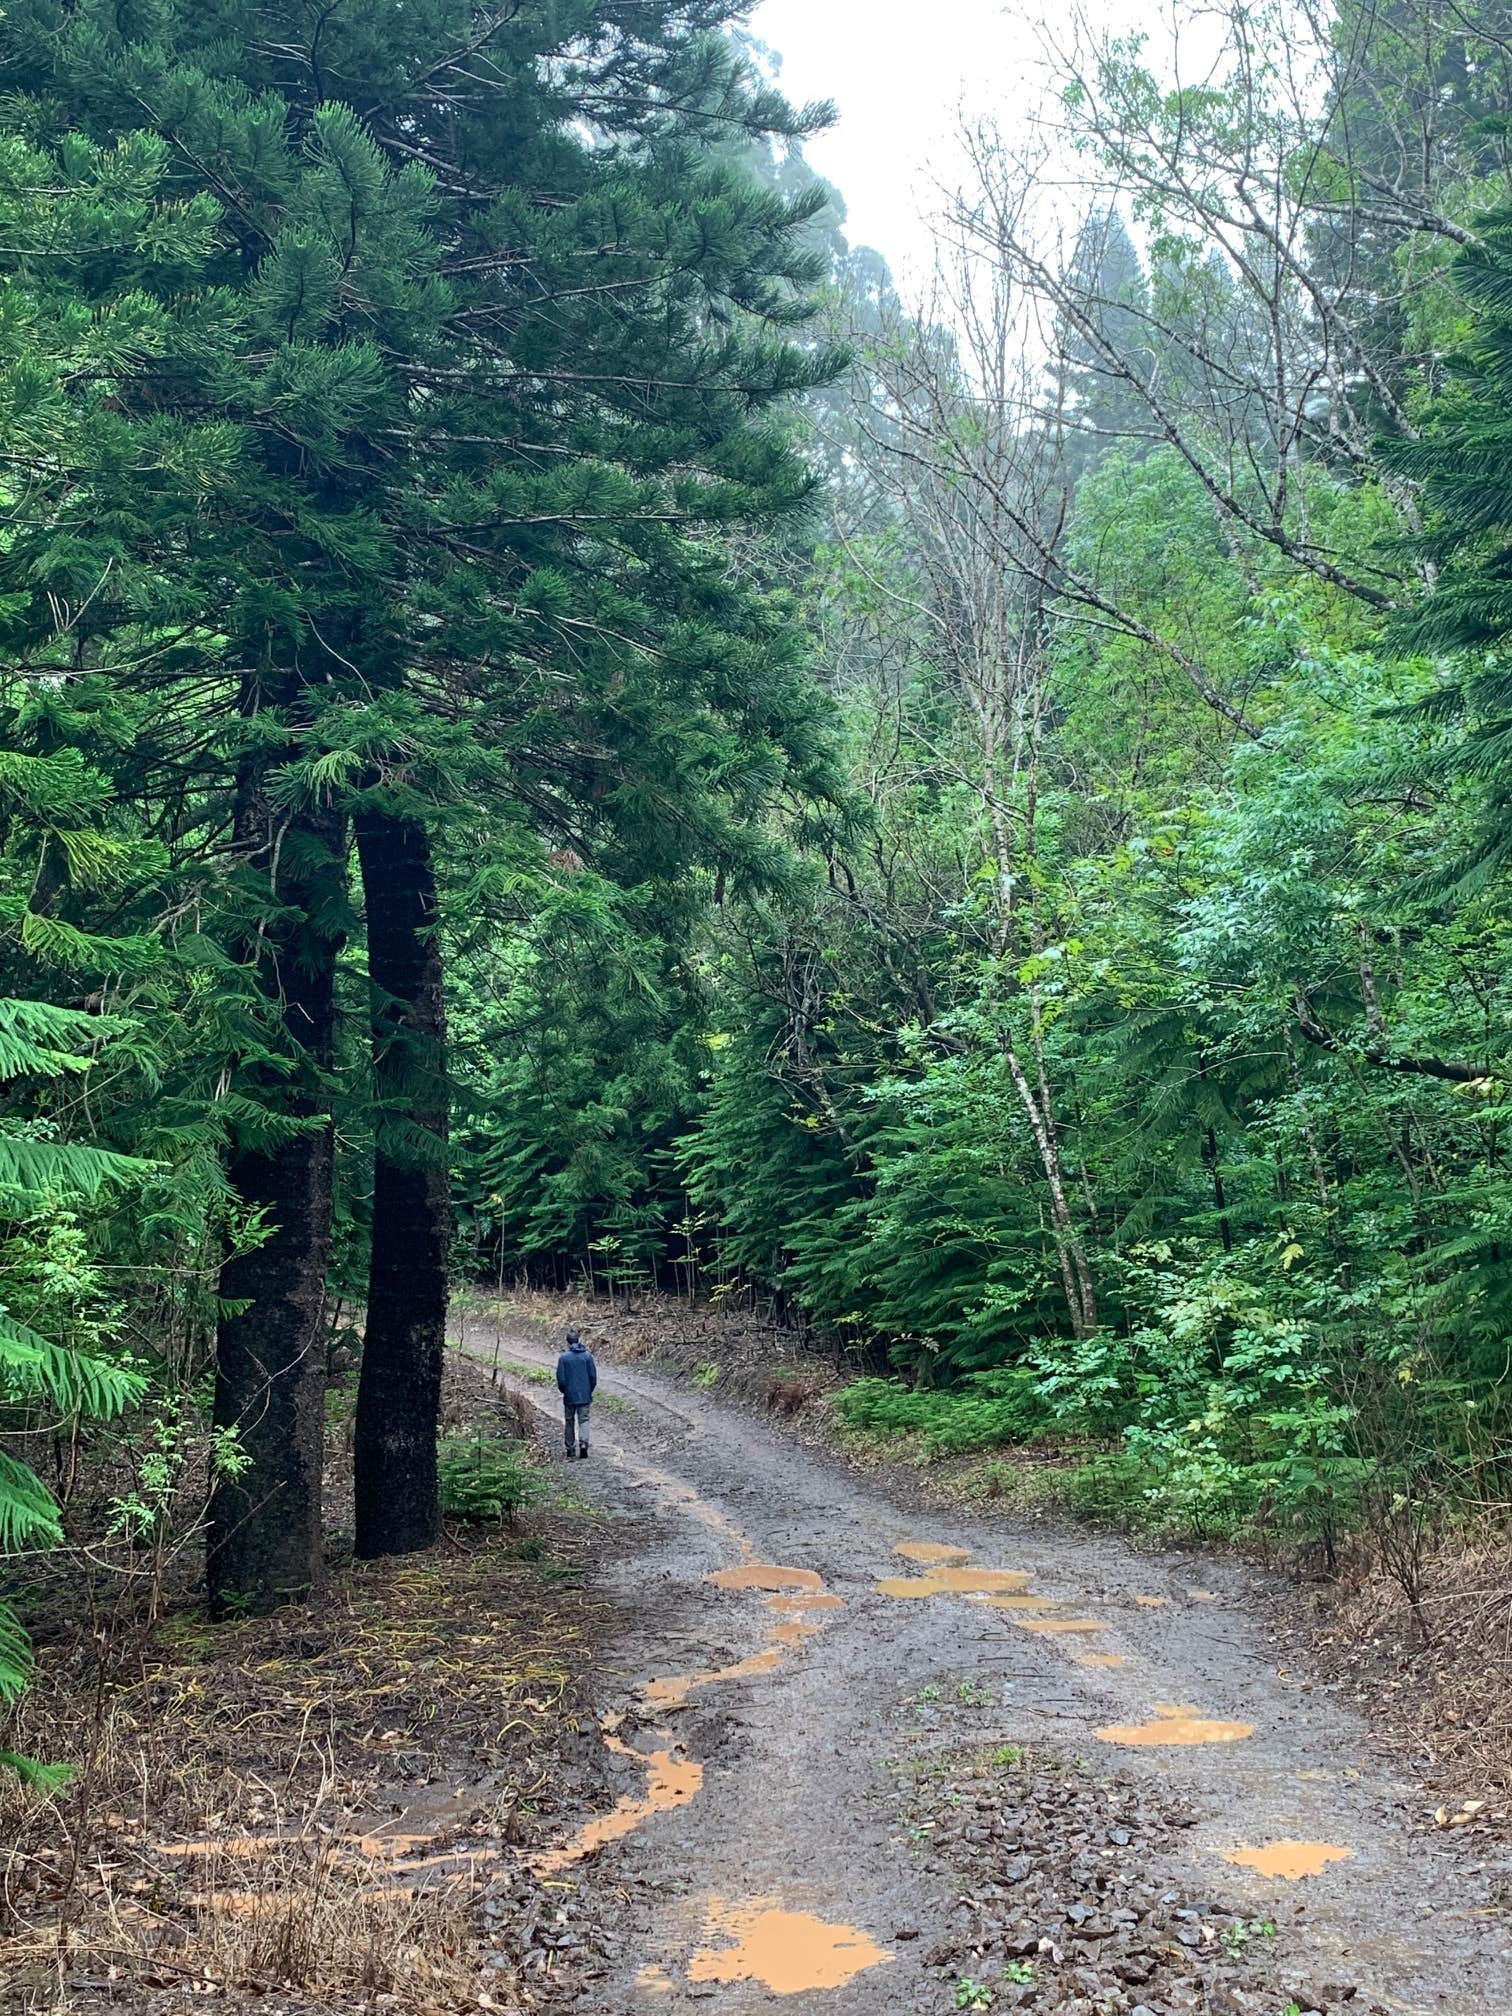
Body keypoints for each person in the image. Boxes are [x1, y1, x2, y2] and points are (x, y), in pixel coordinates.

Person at [556, 1324, 597, 1459]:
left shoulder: (564, 1358)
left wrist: (565, 1391)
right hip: (585, 1395)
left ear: (568, 1342)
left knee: (569, 1421)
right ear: (578, 1340)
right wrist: (588, 1390)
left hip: (569, 1396)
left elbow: (561, 1379)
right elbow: (593, 1377)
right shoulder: (587, 1356)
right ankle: (584, 1444)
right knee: (583, 1420)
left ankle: (570, 1448)